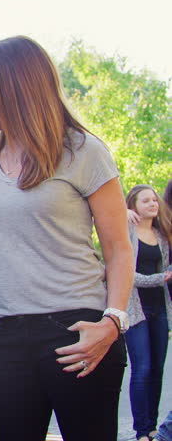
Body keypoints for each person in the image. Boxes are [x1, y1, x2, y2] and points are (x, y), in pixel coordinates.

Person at [0, 36, 132, 440]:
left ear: (19, 90)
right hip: (6, 335)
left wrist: (113, 322)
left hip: (78, 331)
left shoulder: (83, 151)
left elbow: (118, 247)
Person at [123, 184, 172, 441]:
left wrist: (165, 276)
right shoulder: (127, 230)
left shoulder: (162, 234)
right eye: (146, 201)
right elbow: (127, 275)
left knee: (157, 369)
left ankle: (152, 427)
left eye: (154, 200)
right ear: (133, 205)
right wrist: (161, 278)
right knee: (142, 368)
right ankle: (142, 430)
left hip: (160, 309)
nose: (153, 204)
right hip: (135, 310)